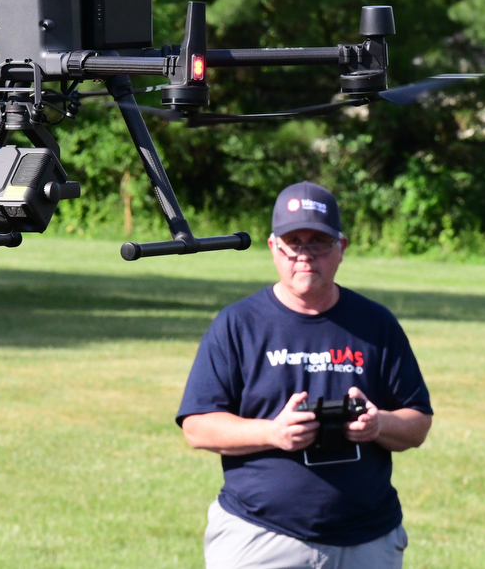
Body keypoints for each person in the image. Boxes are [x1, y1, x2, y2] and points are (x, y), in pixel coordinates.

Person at [177, 181, 433, 569]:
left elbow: (418, 423)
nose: (304, 254)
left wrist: (377, 424)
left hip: (367, 540)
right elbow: (197, 427)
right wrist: (273, 433)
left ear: (341, 248)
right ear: (273, 248)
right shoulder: (238, 324)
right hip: (261, 535)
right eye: (293, 241)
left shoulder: (375, 324)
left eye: (318, 242)